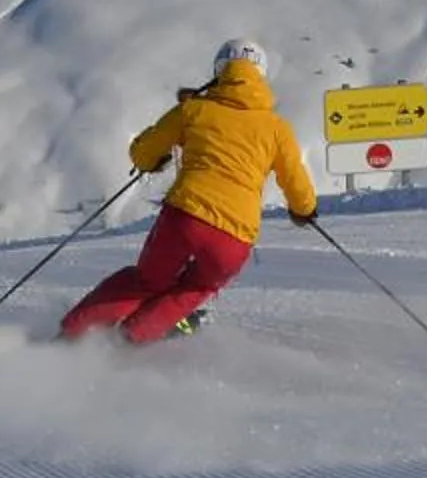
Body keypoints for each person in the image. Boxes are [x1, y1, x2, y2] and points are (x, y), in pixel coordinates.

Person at [60, 37, 315, 344]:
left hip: (185, 216)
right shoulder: (278, 129)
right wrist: (305, 211)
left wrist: (156, 160)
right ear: (262, 77)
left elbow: (143, 154)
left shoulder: (193, 110)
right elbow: (297, 186)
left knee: (148, 280)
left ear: (219, 72)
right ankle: (133, 338)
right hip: (235, 236)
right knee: (198, 287)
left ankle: (73, 332)